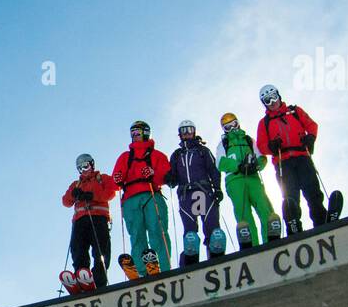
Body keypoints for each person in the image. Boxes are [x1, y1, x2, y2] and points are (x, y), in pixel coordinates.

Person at [255, 84, 326, 235]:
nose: (272, 102)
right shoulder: (264, 122)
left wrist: (311, 137)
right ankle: (293, 225)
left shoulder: (294, 111)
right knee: (290, 195)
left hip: (302, 156)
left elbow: (311, 124)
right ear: (264, 104)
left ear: (279, 95)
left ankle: (321, 219)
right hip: (283, 161)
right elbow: (261, 145)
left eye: (274, 97)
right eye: (267, 100)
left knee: (312, 189)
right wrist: (271, 146)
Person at [112, 121, 172, 277]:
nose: (135, 136)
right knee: (136, 234)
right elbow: (115, 180)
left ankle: (163, 266)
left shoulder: (157, 155)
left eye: (138, 133)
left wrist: (153, 174)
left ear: (146, 133)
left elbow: (166, 176)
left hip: (151, 194)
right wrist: (117, 179)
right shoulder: (125, 157)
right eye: (133, 133)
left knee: (157, 230)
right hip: (131, 198)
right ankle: (141, 269)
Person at [216, 112, 281, 248]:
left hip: (252, 177)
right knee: (242, 210)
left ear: (238, 122)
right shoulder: (223, 143)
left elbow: (261, 156)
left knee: (262, 203)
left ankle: (270, 237)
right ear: (224, 129)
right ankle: (251, 243)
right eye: (227, 127)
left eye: (233, 124)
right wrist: (237, 166)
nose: (232, 129)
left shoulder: (248, 140)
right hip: (235, 180)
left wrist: (256, 165)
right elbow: (220, 163)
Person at [165, 119, 225, 265]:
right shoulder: (177, 155)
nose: (187, 134)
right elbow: (172, 175)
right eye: (184, 131)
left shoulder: (202, 151)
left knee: (211, 224)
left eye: (190, 130)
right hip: (186, 194)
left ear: (194, 132)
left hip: (203, 191)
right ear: (180, 135)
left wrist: (217, 188)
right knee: (190, 230)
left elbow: (213, 170)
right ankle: (190, 257)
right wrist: (170, 178)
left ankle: (215, 252)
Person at [61, 153, 118, 288]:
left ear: (92, 164)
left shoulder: (101, 178)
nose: (83, 170)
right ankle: (82, 276)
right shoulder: (76, 184)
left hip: (98, 217)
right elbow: (66, 201)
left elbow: (111, 192)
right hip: (80, 220)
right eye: (80, 168)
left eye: (85, 166)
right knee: (77, 248)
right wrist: (73, 194)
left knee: (100, 249)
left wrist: (92, 195)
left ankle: (99, 279)